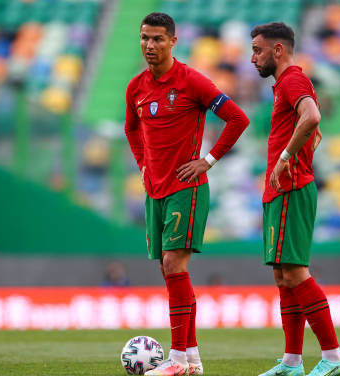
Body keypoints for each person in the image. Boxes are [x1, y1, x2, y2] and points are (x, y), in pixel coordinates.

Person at [124, 12, 250, 376]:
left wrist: (208, 160)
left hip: (186, 187)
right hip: (155, 189)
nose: (150, 45)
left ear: (173, 41)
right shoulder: (136, 87)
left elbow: (237, 118)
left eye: (158, 39)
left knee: (173, 265)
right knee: (170, 271)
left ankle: (177, 360)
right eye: (145, 38)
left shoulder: (192, 81)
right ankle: (191, 358)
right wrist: (143, 164)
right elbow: (131, 129)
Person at [250, 22, 340, 376]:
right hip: (280, 189)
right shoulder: (285, 85)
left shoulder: (292, 79)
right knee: (282, 275)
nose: (252, 58)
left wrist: (285, 156)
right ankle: (292, 361)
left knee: (294, 272)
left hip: (291, 186)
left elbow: (312, 116)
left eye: (258, 50)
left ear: (278, 50)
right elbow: (307, 119)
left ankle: (334, 356)